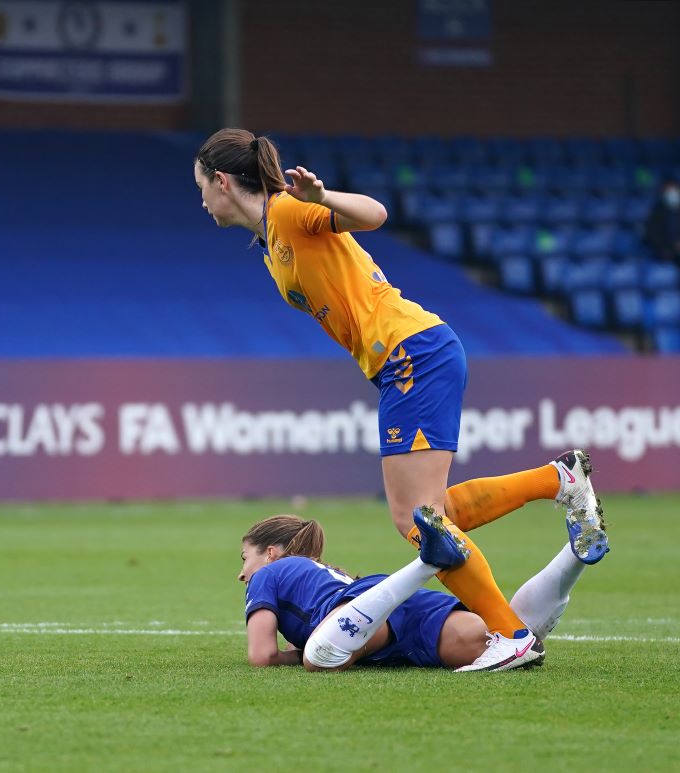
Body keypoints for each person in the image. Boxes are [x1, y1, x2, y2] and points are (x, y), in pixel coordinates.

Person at [194, 129, 609, 671]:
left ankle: (511, 635)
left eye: (200, 185)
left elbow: (374, 214)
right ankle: (559, 480)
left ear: (222, 181)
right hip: (408, 355)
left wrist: (323, 198)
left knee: (416, 518)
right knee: (436, 512)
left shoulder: (292, 212)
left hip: (410, 353)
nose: (200, 199)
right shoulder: (273, 239)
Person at [239, 490, 605, 672]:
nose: (242, 573)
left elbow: (261, 656)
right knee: (505, 637)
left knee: (320, 658)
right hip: (402, 618)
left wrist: (296, 654)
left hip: (362, 611)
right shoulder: (316, 571)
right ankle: (575, 554)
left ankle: (428, 561)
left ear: (270, 552)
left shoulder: (268, 574)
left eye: (245, 559)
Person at [645, 178, 680, 266]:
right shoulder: (657, 212)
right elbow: (651, 235)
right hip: (666, 256)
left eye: (674, 189)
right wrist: (672, 246)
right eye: (668, 190)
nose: (672, 193)